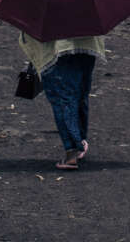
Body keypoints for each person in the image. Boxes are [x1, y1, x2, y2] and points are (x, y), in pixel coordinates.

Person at [20, 31, 106, 170]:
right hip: (87, 43)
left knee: (63, 98)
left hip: (58, 47)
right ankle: (80, 141)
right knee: (79, 93)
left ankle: (72, 152)